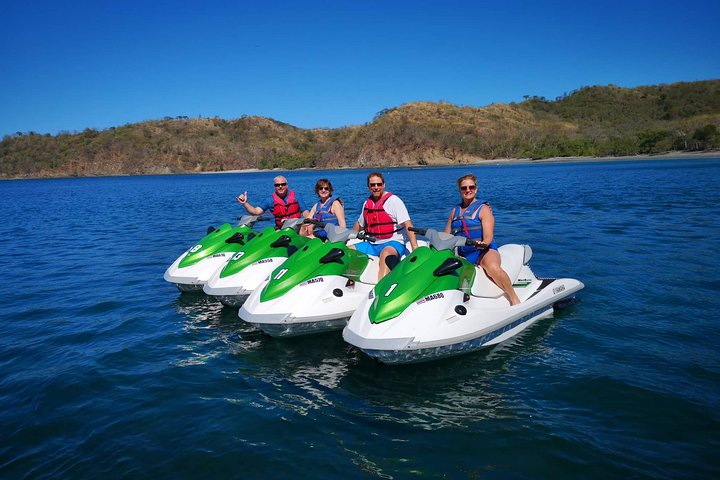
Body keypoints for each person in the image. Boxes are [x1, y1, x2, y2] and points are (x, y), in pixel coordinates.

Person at [444, 174, 520, 306]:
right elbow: (446, 235)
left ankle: (514, 298)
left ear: (476, 189)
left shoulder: (483, 209)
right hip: (463, 254)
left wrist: (482, 244)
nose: (468, 190)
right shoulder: (454, 211)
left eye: (471, 187)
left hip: (483, 252)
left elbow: (488, 236)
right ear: (460, 191)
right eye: (464, 188)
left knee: (492, 268)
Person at [351, 172, 418, 281]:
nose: (376, 187)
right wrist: (347, 238)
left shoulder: (394, 201)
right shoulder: (367, 204)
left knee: (386, 254)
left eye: (379, 184)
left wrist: (415, 248)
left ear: (384, 185)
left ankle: (381, 288)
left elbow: (407, 224)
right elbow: (359, 224)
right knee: (346, 252)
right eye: (373, 185)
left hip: (393, 243)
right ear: (368, 187)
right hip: (372, 244)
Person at [236, 175, 309, 228]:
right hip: (281, 228)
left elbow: (305, 212)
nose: (280, 186)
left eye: (283, 184)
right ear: (274, 186)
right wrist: (245, 203)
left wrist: (308, 222)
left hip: (297, 226)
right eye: (277, 185)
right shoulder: (270, 200)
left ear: (287, 185)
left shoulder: (296, 196)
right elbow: (256, 212)